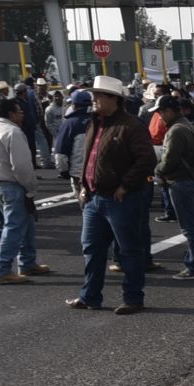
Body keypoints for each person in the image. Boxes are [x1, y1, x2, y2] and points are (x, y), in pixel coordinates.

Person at [67, 75, 156, 315]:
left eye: (98, 96)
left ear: (114, 99)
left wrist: (125, 186)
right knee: (91, 249)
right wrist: (85, 184)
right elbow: (90, 158)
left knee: (129, 250)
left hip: (121, 198)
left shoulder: (131, 125)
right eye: (93, 95)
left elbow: (147, 160)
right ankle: (90, 296)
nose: (93, 99)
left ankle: (133, 298)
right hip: (94, 198)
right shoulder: (94, 123)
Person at [0, 97, 48, 284]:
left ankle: (27, 262)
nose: (22, 113)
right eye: (19, 111)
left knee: (25, 223)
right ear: (10, 113)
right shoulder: (13, 132)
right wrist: (30, 189)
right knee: (14, 228)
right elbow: (21, 166)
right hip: (13, 184)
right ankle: (1, 269)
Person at [155, 95, 194, 279]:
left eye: (161, 113)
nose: (160, 117)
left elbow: (168, 160)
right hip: (193, 180)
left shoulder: (176, 131)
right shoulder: (190, 125)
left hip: (181, 182)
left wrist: (157, 171)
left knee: (189, 226)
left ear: (170, 111)